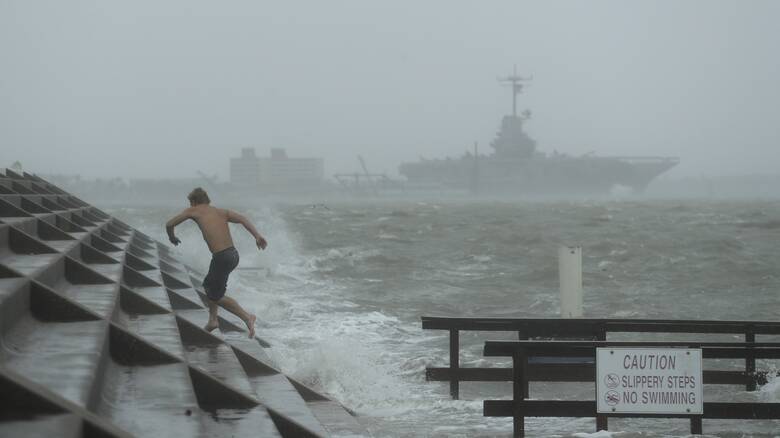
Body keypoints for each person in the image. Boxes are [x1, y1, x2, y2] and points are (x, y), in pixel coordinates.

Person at [165, 187, 267, 338]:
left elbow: (169, 224)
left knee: (214, 295)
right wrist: (257, 236)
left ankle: (247, 317)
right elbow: (242, 219)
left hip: (221, 257)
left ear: (194, 202)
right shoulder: (221, 212)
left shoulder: (193, 211)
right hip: (233, 255)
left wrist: (172, 237)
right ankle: (213, 320)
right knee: (211, 286)